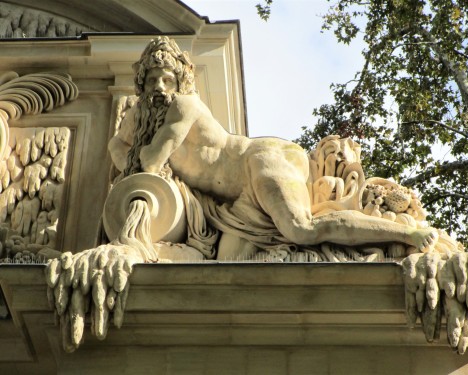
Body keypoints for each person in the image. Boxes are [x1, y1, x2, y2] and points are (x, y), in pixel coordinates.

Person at [110, 36, 439, 253]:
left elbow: (151, 162)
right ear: (142, 83)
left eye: (167, 78)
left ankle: (406, 235)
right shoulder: (141, 115)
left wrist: (137, 151)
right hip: (235, 204)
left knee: (303, 230)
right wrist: (130, 151)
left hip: (259, 163)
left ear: (181, 80)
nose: (159, 87)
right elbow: (116, 146)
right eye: (152, 79)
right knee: (227, 266)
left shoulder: (183, 106)